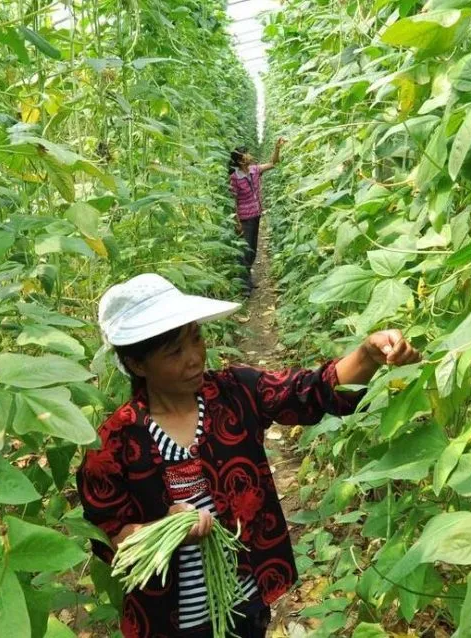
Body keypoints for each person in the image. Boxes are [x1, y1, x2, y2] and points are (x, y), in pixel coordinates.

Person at [76, 273, 422, 638]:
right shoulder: (113, 444)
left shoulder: (234, 393)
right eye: (174, 352)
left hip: (245, 600)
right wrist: (166, 530)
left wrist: (368, 354)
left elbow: (309, 391)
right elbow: (110, 533)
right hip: (169, 621)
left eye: (196, 339)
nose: (194, 358)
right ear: (137, 365)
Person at [228, 138, 285, 294]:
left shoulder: (254, 170)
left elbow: (273, 163)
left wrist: (277, 148)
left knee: (252, 249)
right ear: (240, 161)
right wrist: (237, 222)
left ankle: (248, 280)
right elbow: (233, 201)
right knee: (244, 251)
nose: (249, 155)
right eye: (245, 154)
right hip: (244, 219)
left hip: (256, 215)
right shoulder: (234, 178)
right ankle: (244, 285)